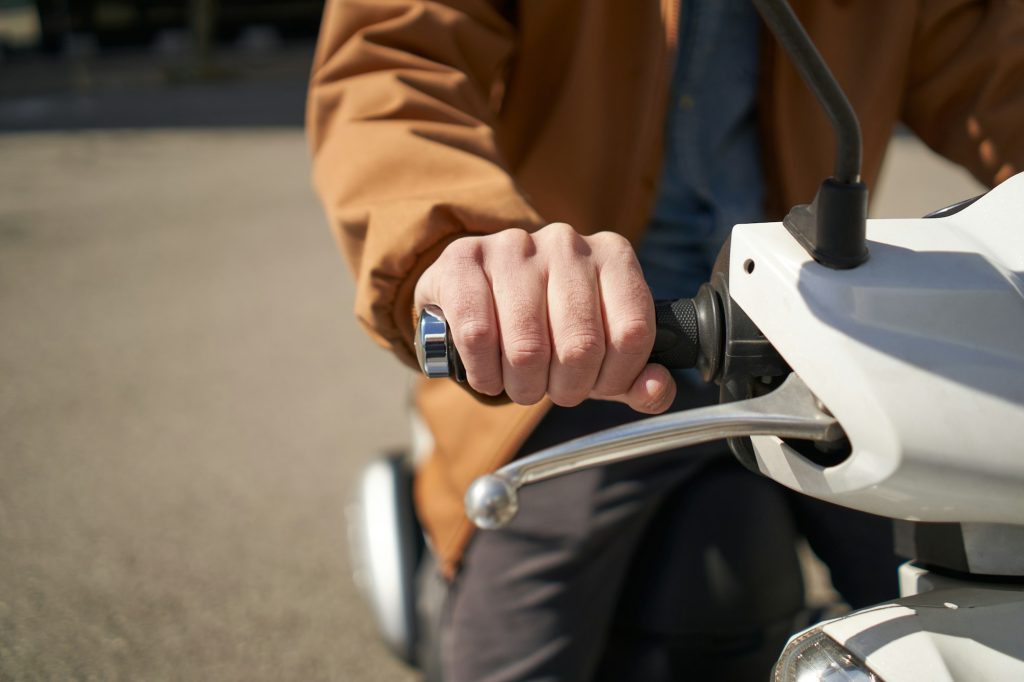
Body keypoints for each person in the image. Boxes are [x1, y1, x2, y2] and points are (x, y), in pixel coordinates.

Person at [307, 1, 1023, 679]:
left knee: (985, 596)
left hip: (814, 340)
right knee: (514, 656)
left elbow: (992, 64)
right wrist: (467, 244)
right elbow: (393, 62)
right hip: (574, 356)